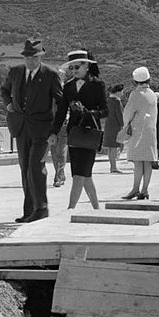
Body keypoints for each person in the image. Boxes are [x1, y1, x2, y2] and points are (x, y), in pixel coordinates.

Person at [0, 38, 63, 223]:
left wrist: (55, 129)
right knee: (25, 167)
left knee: (36, 167)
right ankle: (29, 211)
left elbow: (60, 101)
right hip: (21, 127)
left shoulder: (50, 74)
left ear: (40, 57)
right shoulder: (16, 72)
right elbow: (4, 90)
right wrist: (9, 104)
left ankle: (41, 208)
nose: (30, 60)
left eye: (34, 57)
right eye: (27, 57)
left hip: (42, 128)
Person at [53, 49, 107, 211]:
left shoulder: (97, 85)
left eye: (77, 67)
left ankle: (70, 209)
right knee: (83, 175)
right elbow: (61, 111)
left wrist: (88, 112)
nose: (74, 71)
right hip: (74, 134)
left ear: (86, 66)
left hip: (90, 134)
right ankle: (97, 208)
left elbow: (105, 110)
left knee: (79, 175)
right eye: (72, 68)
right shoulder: (68, 87)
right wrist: (53, 132)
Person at [120, 67, 157, 200]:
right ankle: (145, 190)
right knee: (147, 162)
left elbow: (128, 112)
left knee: (137, 162)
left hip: (138, 130)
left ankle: (135, 189)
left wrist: (125, 124)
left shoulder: (136, 94)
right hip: (151, 131)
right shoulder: (152, 93)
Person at [103, 84, 125, 173]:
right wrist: (122, 125)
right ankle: (114, 167)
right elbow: (119, 115)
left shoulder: (108, 100)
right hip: (115, 125)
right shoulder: (116, 101)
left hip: (108, 125)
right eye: (122, 91)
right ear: (118, 92)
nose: (122, 93)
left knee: (110, 147)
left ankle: (112, 166)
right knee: (114, 147)